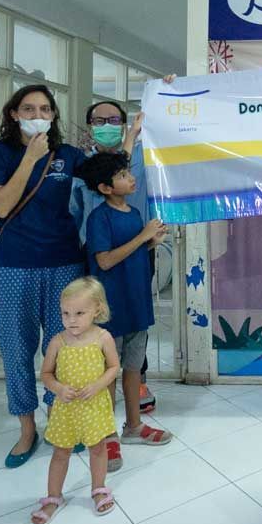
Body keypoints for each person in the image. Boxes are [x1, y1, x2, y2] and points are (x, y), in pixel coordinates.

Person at [0, 85, 91, 468]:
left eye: (44, 108)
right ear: (13, 114)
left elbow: (112, 170)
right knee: (15, 349)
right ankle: (26, 428)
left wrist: (134, 130)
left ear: (54, 115)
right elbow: (1, 207)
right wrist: (29, 158)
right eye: (28, 108)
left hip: (64, 261)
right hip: (13, 264)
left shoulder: (68, 155)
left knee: (67, 347)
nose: (37, 114)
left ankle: (62, 418)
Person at [75, 152, 174, 473]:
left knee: (133, 370)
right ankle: (106, 437)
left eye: (128, 173)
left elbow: (130, 251)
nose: (131, 179)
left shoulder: (133, 212)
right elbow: (104, 261)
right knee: (108, 376)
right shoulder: (99, 218)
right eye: (122, 175)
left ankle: (133, 427)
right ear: (105, 188)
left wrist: (151, 242)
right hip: (110, 310)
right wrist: (143, 237)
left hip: (136, 303)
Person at [29, 277, 119, 524]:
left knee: (98, 448)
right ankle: (53, 497)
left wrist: (98, 385)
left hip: (94, 405)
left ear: (97, 310)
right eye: (66, 313)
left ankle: (99, 488)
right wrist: (58, 388)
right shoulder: (57, 342)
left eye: (79, 313)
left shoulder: (103, 338)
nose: (71, 319)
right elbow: (46, 374)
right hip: (66, 409)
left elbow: (114, 367)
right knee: (60, 452)